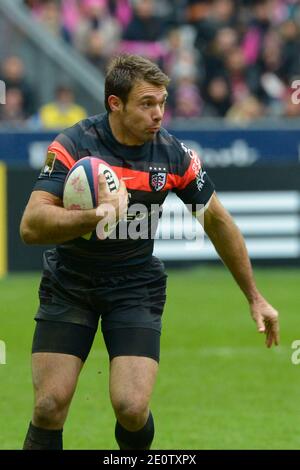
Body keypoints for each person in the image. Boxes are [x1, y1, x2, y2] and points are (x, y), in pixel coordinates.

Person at [20, 54, 279, 451]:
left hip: (134, 287)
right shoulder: (73, 144)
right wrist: (94, 216)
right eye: (146, 103)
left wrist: (255, 297)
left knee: (131, 407)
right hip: (70, 282)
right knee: (50, 405)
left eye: (162, 102)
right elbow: (31, 225)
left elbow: (218, 222)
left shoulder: (173, 154)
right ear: (115, 104)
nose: (158, 114)